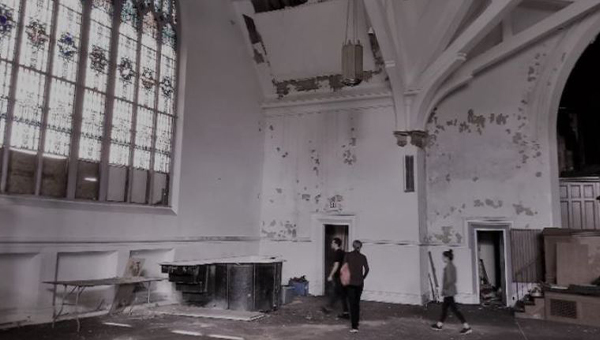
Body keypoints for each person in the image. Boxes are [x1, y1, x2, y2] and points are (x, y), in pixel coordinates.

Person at [431, 249, 472, 335]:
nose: (442, 258)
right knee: (445, 309)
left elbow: (449, 280)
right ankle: (439, 325)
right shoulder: (453, 266)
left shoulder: (448, 267)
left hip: (448, 291)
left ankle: (467, 327)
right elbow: (454, 279)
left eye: (443, 257)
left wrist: (445, 289)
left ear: (447, 257)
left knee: (454, 310)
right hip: (451, 291)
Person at [343, 240, 369, 333]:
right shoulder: (363, 257)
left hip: (350, 283)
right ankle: (356, 324)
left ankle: (354, 326)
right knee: (357, 303)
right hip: (359, 283)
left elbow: (344, 268)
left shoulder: (348, 255)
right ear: (360, 247)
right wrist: (362, 277)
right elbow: (367, 269)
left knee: (351, 303)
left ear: (353, 246)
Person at [322, 238, 349, 318]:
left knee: (340, 293)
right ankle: (330, 307)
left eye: (332, 243)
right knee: (338, 293)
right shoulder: (343, 252)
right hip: (342, 275)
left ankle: (345, 312)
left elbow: (336, 265)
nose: (331, 244)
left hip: (338, 276)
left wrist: (330, 275)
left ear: (336, 244)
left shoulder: (337, 253)